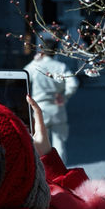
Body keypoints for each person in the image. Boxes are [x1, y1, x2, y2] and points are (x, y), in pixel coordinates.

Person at [25, 30, 79, 164]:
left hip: (38, 108)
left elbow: (23, 76)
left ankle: (42, 175)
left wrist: (34, 61)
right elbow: (73, 83)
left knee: (38, 143)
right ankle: (61, 174)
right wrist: (65, 96)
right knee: (59, 144)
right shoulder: (60, 66)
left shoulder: (35, 66)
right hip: (57, 107)